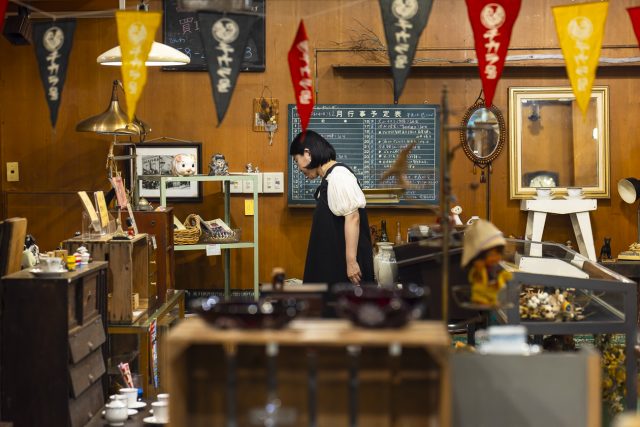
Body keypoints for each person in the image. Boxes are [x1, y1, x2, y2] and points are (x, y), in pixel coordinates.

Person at [290, 129, 374, 285]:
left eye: (296, 160)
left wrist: (351, 262)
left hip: (344, 275)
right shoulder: (329, 178)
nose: (298, 168)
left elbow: (353, 217)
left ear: (307, 154)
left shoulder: (339, 176)